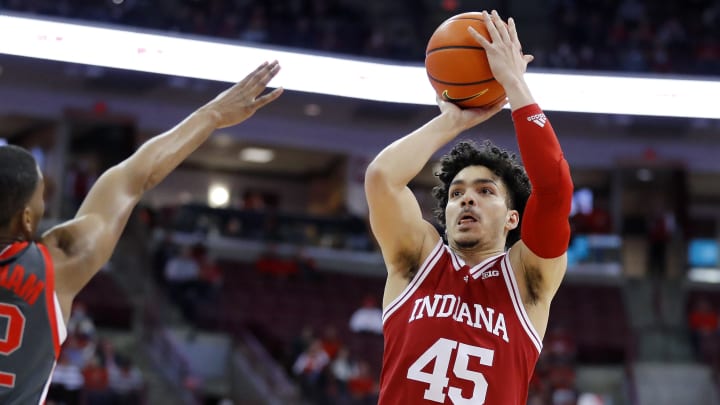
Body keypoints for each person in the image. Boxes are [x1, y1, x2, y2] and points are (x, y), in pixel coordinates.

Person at [0, 60, 282, 404]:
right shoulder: (59, 266)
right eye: (43, 197)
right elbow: (133, 178)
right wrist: (214, 115)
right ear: (28, 219)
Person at [364, 11, 573, 405]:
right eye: (457, 193)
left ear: (514, 218)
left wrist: (514, 85)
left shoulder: (527, 278)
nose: (467, 199)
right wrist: (452, 123)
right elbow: (382, 179)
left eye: (485, 191)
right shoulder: (417, 259)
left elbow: (555, 189)